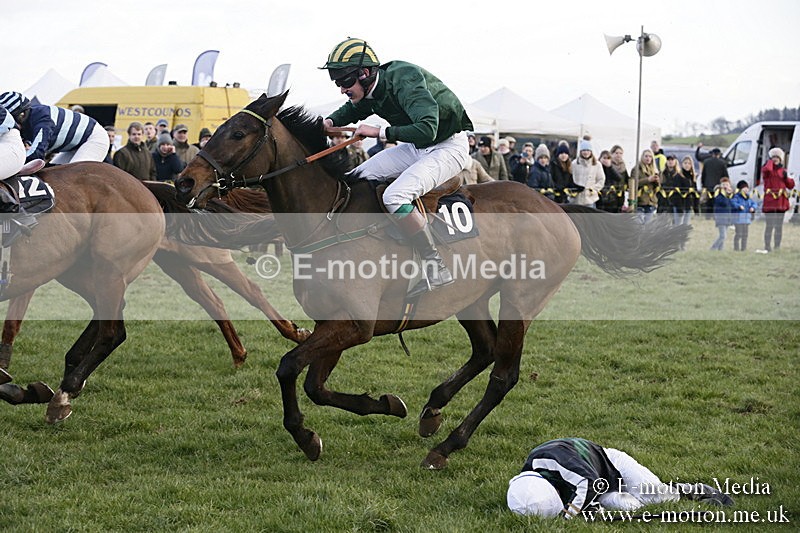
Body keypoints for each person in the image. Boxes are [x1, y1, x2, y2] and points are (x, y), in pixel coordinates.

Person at [320, 38, 473, 297]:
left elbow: (427, 128)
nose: (343, 89)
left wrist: (380, 132)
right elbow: (353, 108)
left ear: (365, 73)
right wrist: (331, 121)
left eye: (345, 82)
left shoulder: (405, 78)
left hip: (449, 146)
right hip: (417, 147)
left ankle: (435, 266)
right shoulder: (371, 89)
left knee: (394, 196)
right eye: (337, 83)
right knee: (354, 178)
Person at [507, 437, 733, 519]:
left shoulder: (560, 462)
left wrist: (569, 515)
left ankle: (690, 489)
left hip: (612, 464)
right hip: (600, 487)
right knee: (630, 507)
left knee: (657, 497)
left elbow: (588, 483)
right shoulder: (530, 482)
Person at [0, 91, 109, 165]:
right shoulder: (27, 121)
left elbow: (37, 154)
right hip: (73, 145)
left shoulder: (43, 119)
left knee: (72, 175)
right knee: (54, 170)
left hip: (94, 138)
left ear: (22, 115)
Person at [758, 147, 795, 253]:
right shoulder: (766, 169)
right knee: (769, 225)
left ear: (781, 159)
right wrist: (770, 161)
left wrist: (786, 177)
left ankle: (777, 246)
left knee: (779, 226)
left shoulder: (783, 171)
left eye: (777, 157)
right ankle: (767, 246)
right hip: (770, 202)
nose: (775, 159)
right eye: (773, 157)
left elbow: (790, 185)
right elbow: (767, 170)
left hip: (781, 202)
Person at [571, 138, 604, 208]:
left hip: (590, 198)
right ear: (580, 151)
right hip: (576, 199)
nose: (586, 152)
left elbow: (601, 179)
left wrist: (594, 190)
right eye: (584, 150)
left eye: (588, 150)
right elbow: (570, 178)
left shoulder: (597, 164)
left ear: (591, 151)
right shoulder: (574, 163)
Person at [698, 147, 729, 218]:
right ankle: (715, 216)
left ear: (712, 154)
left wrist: (703, 184)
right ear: (718, 154)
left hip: (708, 184)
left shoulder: (706, 162)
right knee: (717, 201)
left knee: (708, 202)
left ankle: (708, 216)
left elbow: (703, 174)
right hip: (718, 185)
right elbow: (725, 175)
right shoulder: (722, 163)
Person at [633, 149, 660, 223]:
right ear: (642, 157)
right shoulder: (636, 169)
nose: (648, 158)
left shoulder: (654, 170)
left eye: (650, 156)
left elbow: (657, 188)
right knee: (639, 225)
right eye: (646, 156)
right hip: (640, 201)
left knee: (648, 226)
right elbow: (633, 184)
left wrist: (657, 181)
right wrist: (648, 179)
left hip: (651, 201)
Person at [731, 180, 757, 252]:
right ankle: (736, 248)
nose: (746, 189)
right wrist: (739, 206)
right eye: (744, 188)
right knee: (738, 234)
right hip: (738, 220)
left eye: (747, 188)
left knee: (745, 235)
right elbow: (733, 203)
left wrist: (753, 207)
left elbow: (754, 203)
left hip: (746, 219)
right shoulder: (736, 196)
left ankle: (743, 248)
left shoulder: (748, 197)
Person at [710, 178, 734, 251]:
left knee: (724, 235)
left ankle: (721, 250)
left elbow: (731, 205)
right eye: (723, 184)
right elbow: (723, 203)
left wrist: (730, 194)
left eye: (727, 184)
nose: (725, 186)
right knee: (723, 236)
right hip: (720, 216)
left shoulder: (729, 195)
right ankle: (713, 248)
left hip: (727, 217)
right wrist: (727, 194)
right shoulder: (719, 194)